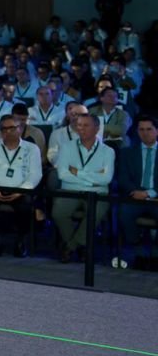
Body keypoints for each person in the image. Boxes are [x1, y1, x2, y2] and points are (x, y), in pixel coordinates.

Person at [50, 108, 114, 263]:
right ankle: (82, 247)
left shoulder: (108, 151)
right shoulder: (67, 147)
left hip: (97, 193)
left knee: (95, 214)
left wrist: (77, 172)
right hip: (70, 190)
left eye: (86, 125)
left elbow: (106, 179)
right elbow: (62, 174)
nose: (81, 129)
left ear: (97, 128)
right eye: (79, 125)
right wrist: (93, 177)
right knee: (58, 213)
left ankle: (70, 247)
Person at [0, 115, 42, 257]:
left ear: (20, 129)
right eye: (4, 129)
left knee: (26, 205)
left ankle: (20, 240)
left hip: (21, 189)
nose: (8, 132)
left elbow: (35, 174)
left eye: (12, 128)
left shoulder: (32, 148)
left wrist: (21, 191)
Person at [113, 115, 158, 268]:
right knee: (124, 213)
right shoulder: (127, 153)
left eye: (149, 129)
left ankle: (156, 253)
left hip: (156, 197)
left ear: (157, 131)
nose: (145, 133)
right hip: (135, 196)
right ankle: (138, 250)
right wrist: (135, 191)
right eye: (141, 129)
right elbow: (122, 178)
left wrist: (150, 193)